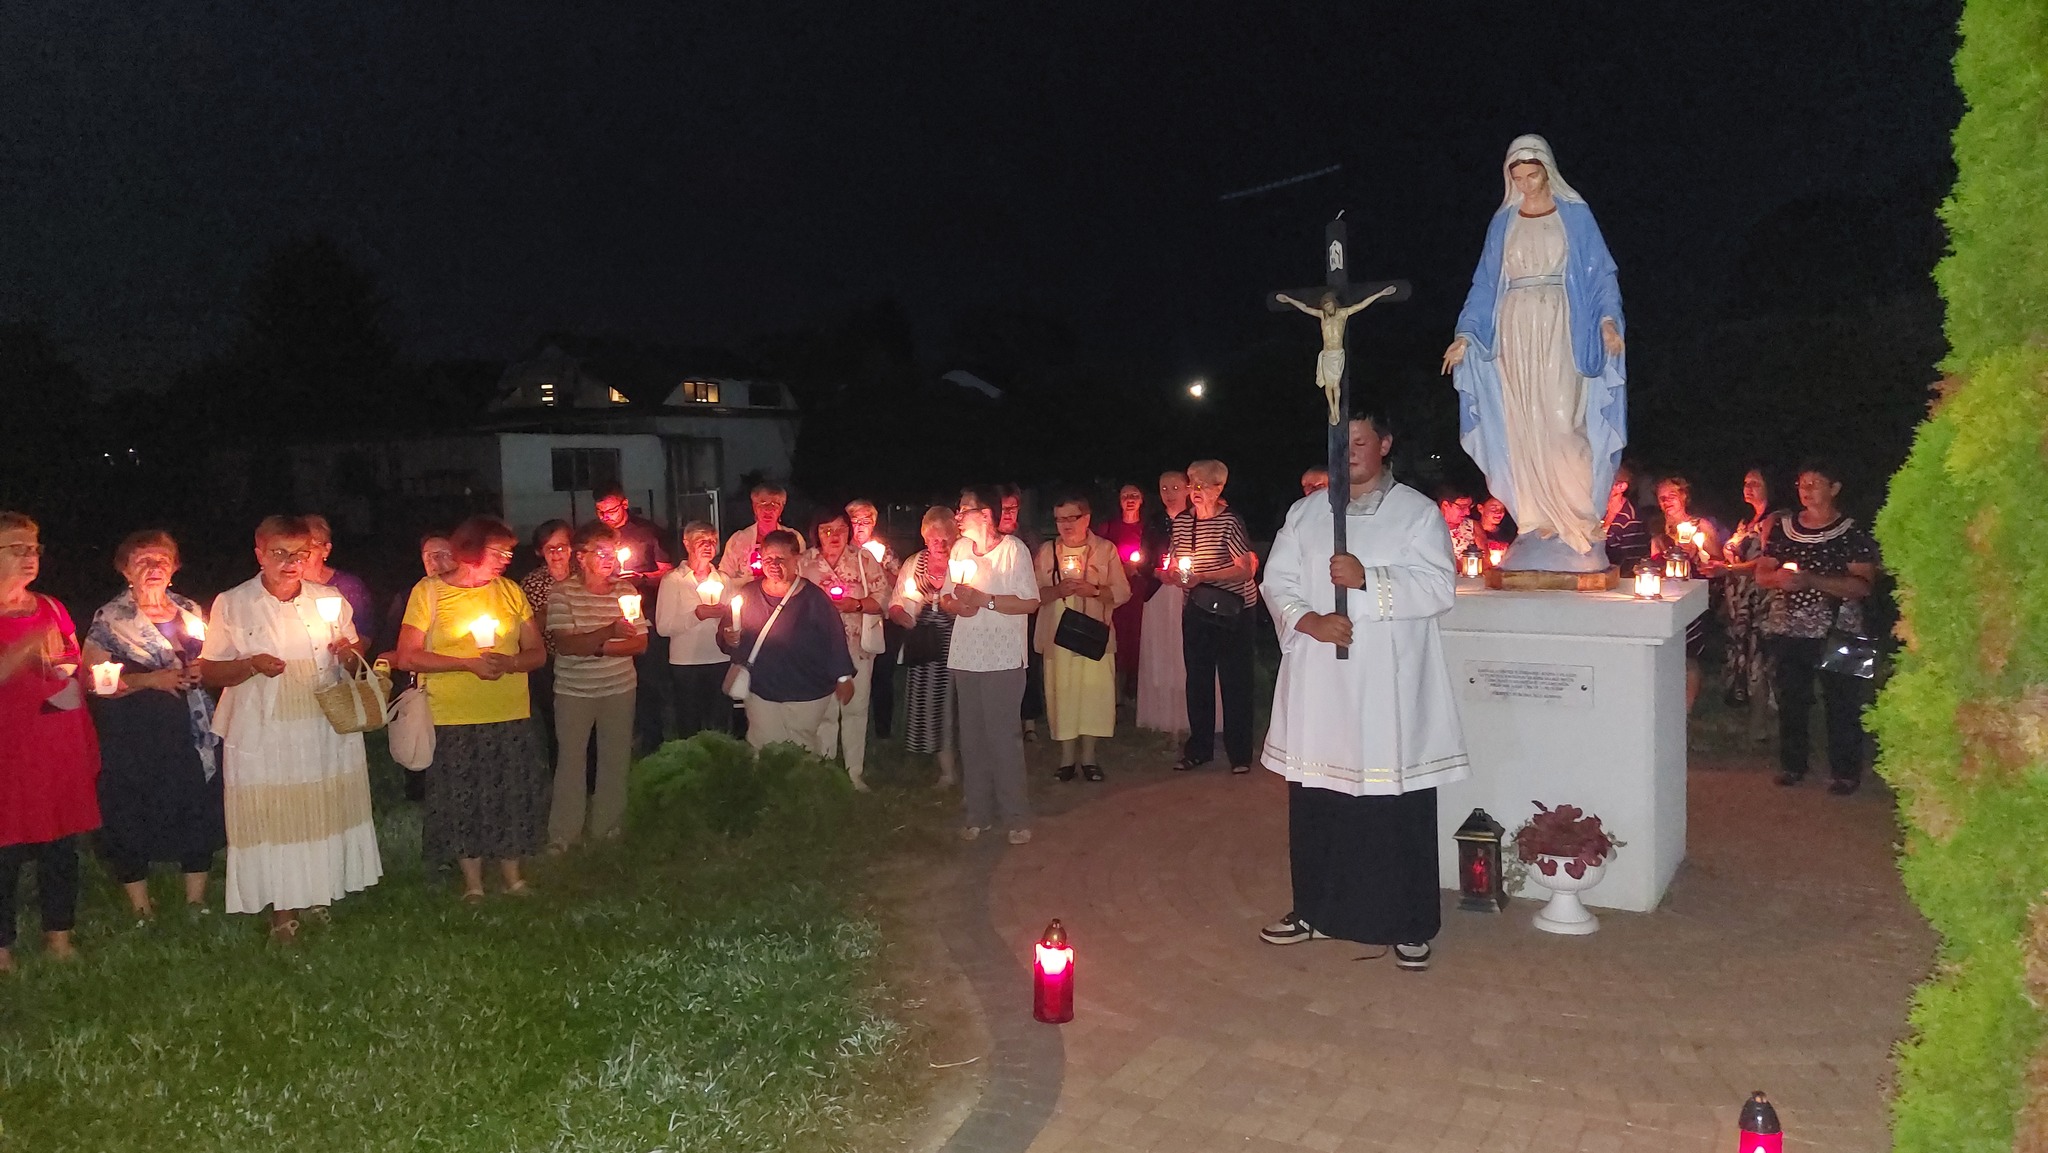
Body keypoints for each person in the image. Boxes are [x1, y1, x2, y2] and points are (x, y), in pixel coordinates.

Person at [1257, 415, 1469, 971]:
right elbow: (1276, 582)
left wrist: (1369, 581)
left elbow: (1439, 588)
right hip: (1322, 684)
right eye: (1339, 442)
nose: (1348, 452)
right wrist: (1310, 621)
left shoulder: (1416, 513)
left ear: (1385, 444)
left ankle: (1408, 922)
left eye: (1359, 442)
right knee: (1318, 798)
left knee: (1392, 803)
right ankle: (1316, 911)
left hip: (1386, 688)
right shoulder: (1305, 513)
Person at [1443, 134, 1627, 573]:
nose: (1526, 184)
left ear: (1548, 170)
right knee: (1525, 426)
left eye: (1533, 174)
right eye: (1518, 177)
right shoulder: (1503, 222)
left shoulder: (1575, 216)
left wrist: (1607, 320)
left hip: (1563, 322)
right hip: (1514, 329)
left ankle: (1578, 522)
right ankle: (1537, 522)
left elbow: (1599, 272)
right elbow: (1486, 283)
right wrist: (1466, 333)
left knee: (1564, 424)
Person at [199, 516, 381, 942]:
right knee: (276, 813)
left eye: (300, 553)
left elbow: (353, 661)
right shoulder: (234, 602)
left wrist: (347, 654)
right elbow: (210, 670)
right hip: (265, 726)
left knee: (320, 805)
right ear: (259, 553)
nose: (291, 562)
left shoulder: (328, 599)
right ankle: (283, 907)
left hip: (321, 720)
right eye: (280, 553)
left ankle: (320, 890)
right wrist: (249, 665)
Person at [395, 516, 550, 894]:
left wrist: (509, 662)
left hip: (509, 711)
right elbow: (408, 656)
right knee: (463, 797)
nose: (505, 560)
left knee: (511, 795)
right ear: (471, 550)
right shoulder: (429, 592)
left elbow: (537, 653)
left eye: (509, 552)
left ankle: (514, 876)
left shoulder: (510, 591)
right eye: (498, 552)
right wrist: (466, 663)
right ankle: (473, 883)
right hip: (454, 715)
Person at [80, 530, 224, 918]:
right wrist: (150, 680)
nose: (154, 567)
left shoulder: (191, 611)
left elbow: (213, 661)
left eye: (162, 559)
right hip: (135, 730)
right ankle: (141, 906)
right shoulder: (111, 619)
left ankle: (196, 900)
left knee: (197, 802)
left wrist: (200, 671)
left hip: (191, 727)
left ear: (175, 567)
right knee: (131, 808)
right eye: (143, 560)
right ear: (125, 570)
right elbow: (93, 681)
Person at [0, 512, 100, 969]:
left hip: (55, 742)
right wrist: (25, 648)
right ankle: (2, 950)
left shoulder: (51, 607)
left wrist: (74, 671)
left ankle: (59, 937)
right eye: (17, 548)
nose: (29, 557)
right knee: (6, 851)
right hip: (8, 752)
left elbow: (70, 657)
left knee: (60, 845)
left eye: (34, 548)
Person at [1755, 460, 1879, 795]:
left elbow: (1863, 585)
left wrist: (1812, 579)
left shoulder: (1853, 531)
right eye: (1801, 484)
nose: (1806, 491)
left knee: (1844, 701)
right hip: (1790, 627)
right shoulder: (1784, 528)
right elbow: (1762, 573)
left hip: (1844, 628)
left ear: (1834, 488)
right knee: (1792, 698)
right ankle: (1793, 764)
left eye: (1815, 483)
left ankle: (1846, 771)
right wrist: (1777, 578)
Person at [941, 486, 1041, 844]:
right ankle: (978, 813)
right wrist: (957, 606)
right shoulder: (959, 549)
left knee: (1003, 737)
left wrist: (987, 601)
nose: (957, 515)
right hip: (967, 656)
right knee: (972, 738)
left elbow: (1029, 602)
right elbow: (946, 596)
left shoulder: (1013, 551)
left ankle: (1016, 815)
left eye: (964, 509)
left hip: (1002, 657)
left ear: (986, 514)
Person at [541, 521, 646, 849]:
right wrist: (609, 632)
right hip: (575, 692)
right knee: (571, 760)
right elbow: (566, 645)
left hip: (619, 688)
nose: (608, 558)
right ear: (581, 557)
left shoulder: (625, 592)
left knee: (615, 757)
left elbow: (639, 644)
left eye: (612, 551)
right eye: (600, 552)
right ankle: (563, 834)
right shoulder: (563, 593)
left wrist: (597, 647)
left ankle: (608, 827)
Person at [718, 530, 855, 753]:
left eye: (780, 559)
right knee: (764, 747)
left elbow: (834, 639)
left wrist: (843, 677)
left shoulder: (814, 599)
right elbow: (728, 634)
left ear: (796, 559)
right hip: (763, 688)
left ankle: (805, 787)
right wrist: (729, 637)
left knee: (802, 747)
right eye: (768, 559)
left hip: (806, 688)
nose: (773, 564)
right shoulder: (748, 594)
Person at [1168, 459, 1259, 774]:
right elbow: (1175, 559)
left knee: (1236, 680)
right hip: (1196, 609)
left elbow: (1245, 568)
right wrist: (1174, 573)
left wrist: (1204, 576)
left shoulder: (1229, 521)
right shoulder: (1182, 522)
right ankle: (1199, 749)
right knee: (1198, 679)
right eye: (1192, 483)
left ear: (1219, 487)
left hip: (1234, 610)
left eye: (1202, 484)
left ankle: (1240, 753)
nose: (1195, 490)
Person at [1035, 494, 1131, 783]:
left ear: (1086, 518)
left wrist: (1094, 590)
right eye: (1059, 519)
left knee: (1094, 694)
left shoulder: (1105, 550)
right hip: (1057, 635)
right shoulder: (1046, 551)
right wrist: (1058, 591)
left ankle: (1089, 758)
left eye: (1070, 518)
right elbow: (1032, 595)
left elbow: (1123, 592)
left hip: (1093, 634)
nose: (1064, 525)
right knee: (1062, 694)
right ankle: (1066, 759)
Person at [798, 509, 891, 790]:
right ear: (817, 533)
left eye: (840, 529)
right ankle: (826, 769)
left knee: (855, 708)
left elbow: (884, 598)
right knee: (824, 710)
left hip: (856, 645)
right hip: (817, 649)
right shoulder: (805, 563)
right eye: (827, 530)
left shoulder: (864, 560)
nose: (834, 536)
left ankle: (854, 771)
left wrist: (857, 605)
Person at [594, 484, 672, 755]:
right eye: (601, 512)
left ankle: (652, 740)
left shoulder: (647, 532)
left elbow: (666, 571)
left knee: (648, 679)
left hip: (644, 614)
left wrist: (640, 578)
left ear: (625, 504)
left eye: (612, 510)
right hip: (606, 614)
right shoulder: (597, 536)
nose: (607, 517)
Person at [888, 506, 960, 785]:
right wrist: (901, 615)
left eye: (945, 539)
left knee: (956, 704)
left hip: (956, 638)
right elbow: (895, 602)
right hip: (923, 641)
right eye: (933, 539)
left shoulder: (964, 562)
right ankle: (940, 763)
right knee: (928, 702)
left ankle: (960, 761)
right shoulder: (913, 563)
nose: (939, 545)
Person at [655, 521, 734, 741]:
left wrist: (731, 630)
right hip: (686, 663)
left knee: (718, 725)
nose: (709, 546)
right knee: (689, 724)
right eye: (702, 541)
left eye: (712, 540)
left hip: (719, 658)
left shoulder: (723, 580)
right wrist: (696, 615)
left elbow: (732, 619)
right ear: (687, 544)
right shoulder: (674, 580)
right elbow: (663, 627)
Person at [1650, 474, 1723, 711]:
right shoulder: (1658, 532)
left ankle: (1687, 709)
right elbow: (1654, 565)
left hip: (1694, 596)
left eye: (1672, 495)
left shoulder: (1700, 526)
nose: (1666, 501)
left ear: (1684, 496)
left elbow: (1718, 561)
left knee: (1689, 653)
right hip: (1666, 598)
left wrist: (1698, 549)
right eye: (1662, 498)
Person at [1137, 470, 1200, 735]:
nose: (1169, 494)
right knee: (1162, 651)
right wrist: (1156, 572)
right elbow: (1144, 556)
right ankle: (1163, 715)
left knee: (1188, 651)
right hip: (1160, 593)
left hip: (1191, 594)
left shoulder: (1198, 519)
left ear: (1188, 489)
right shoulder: (1155, 522)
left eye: (1175, 487)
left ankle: (1192, 715)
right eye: (1164, 488)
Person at [1719, 468, 1777, 711]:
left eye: (1755, 483)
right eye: (1746, 483)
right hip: (1739, 595)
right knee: (1740, 641)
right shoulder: (1747, 521)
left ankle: (1762, 710)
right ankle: (1741, 693)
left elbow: (1767, 558)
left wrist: (1730, 569)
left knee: (1757, 646)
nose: (1748, 487)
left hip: (1757, 593)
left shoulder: (1773, 519)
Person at [847, 499, 903, 739]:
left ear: (874, 523)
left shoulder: (884, 551)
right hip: (852, 620)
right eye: (855, 521)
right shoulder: (843, 550)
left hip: (881, 621)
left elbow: (899, 584)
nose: (860, 526)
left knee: (882, 674)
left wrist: (880, 567)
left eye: (865, 521)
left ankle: (882, 729)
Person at [521, 519, 573, 761]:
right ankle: (560, 767)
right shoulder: (533, 583)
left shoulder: (584, 576)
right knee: (554, 719)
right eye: (549, 548)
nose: (556, 553)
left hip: (584, 660)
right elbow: (529, 630)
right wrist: (547, 610)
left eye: (561, 546)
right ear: (539, 551)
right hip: (550, 662)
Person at [1095, 484, 1153, 699]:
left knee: (1139, 636)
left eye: (1134, 495)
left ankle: (1137, 687)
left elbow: (1155, 555)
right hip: (1116, 592)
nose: (1130, 499)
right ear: (1119, 501)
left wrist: (1138, 568)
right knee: (1118, 636)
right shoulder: (1108, 528)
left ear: (1141, 500)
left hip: (1141, 590)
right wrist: (1120, 568)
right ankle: (1115, 692)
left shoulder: (1148, 529)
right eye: (1125, 495)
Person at [999, 484, 1045, 743]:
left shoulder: (1028, 537)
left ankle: (1029, 721)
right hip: (996, 611)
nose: (1007, 513)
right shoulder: (988, 539)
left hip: (1024, 612)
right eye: (1003, 508)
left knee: (1028, 666)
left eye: (1012, 508)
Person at [301, 515, 377, 645]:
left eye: (310, 546)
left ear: (326, 550)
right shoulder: (286, 584)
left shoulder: (348, 587)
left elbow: (364, 635)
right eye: (298, 547)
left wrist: (349, 654)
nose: (303, 553)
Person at [718, 482, 804, 581]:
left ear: (781, 509)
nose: (768, 510)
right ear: (754, 507)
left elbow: (801, 572)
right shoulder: (738, 539)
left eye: (774, 504)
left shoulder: (794, 538)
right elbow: (724, 576)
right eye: (763, 503)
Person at [1601, 462, 1652, 575]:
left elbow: (1631, 564)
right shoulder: (1596, 510)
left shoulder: (1631, 520)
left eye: (1606, 479)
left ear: (1621, 486)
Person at [1436, 486, 1477, 559]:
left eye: (1469, 507)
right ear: (1445, 505)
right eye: (1462, 507)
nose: (1468, 512)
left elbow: (1486, 561)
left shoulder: (1472, 526)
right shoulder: (1429, 527)